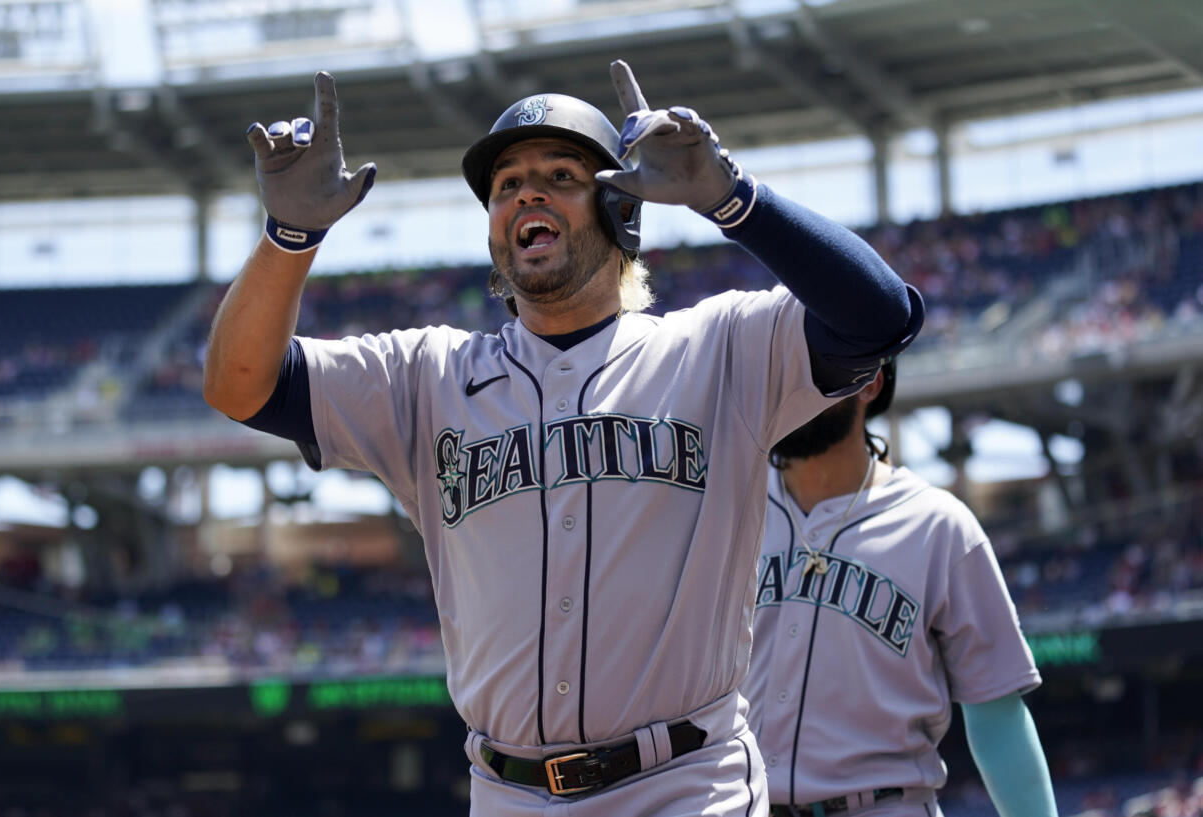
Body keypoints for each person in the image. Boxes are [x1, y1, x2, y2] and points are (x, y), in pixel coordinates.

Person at [203, 59, 922, 817]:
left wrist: (730, 198)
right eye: (506, 184)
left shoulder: (717, 348)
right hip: (505, 793)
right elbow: (239, 385)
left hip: (683, 785)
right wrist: (289, 238)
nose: (527, 192)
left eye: (561, 174)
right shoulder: (424, 377)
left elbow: (881, 318)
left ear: (620, 211)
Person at [742, 361, 1058, 817]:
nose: (792, 389)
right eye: (781, 370)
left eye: (812, 369)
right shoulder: (726, 508)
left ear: (870, 381)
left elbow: (997, 713)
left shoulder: (939, 527)